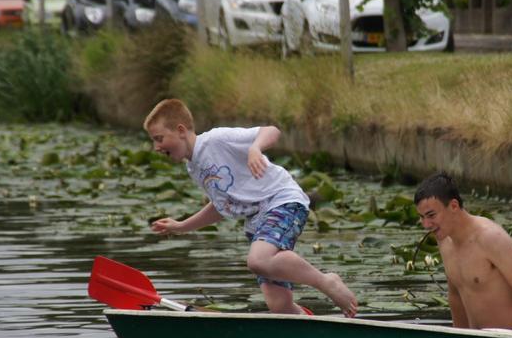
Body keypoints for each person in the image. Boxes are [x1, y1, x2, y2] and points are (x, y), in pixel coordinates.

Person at [143, 98, 358, 318]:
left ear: (180, 130)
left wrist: (255, 148)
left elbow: (271, 131)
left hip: (281, 201)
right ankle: (310, 328)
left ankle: (326, 281)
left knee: (258, 261)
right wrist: (181, 226)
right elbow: (222, 206)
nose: (156, 147)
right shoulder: (194, 167)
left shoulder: (215, 140)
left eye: (159, 139)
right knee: (280, 306)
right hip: (257, 222)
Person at [414, 172, 512, 335]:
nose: (426, 224)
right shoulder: (445, 241)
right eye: (422, 217)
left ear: (453, 206)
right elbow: (455, 296)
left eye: (431, 215)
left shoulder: (490, 237)